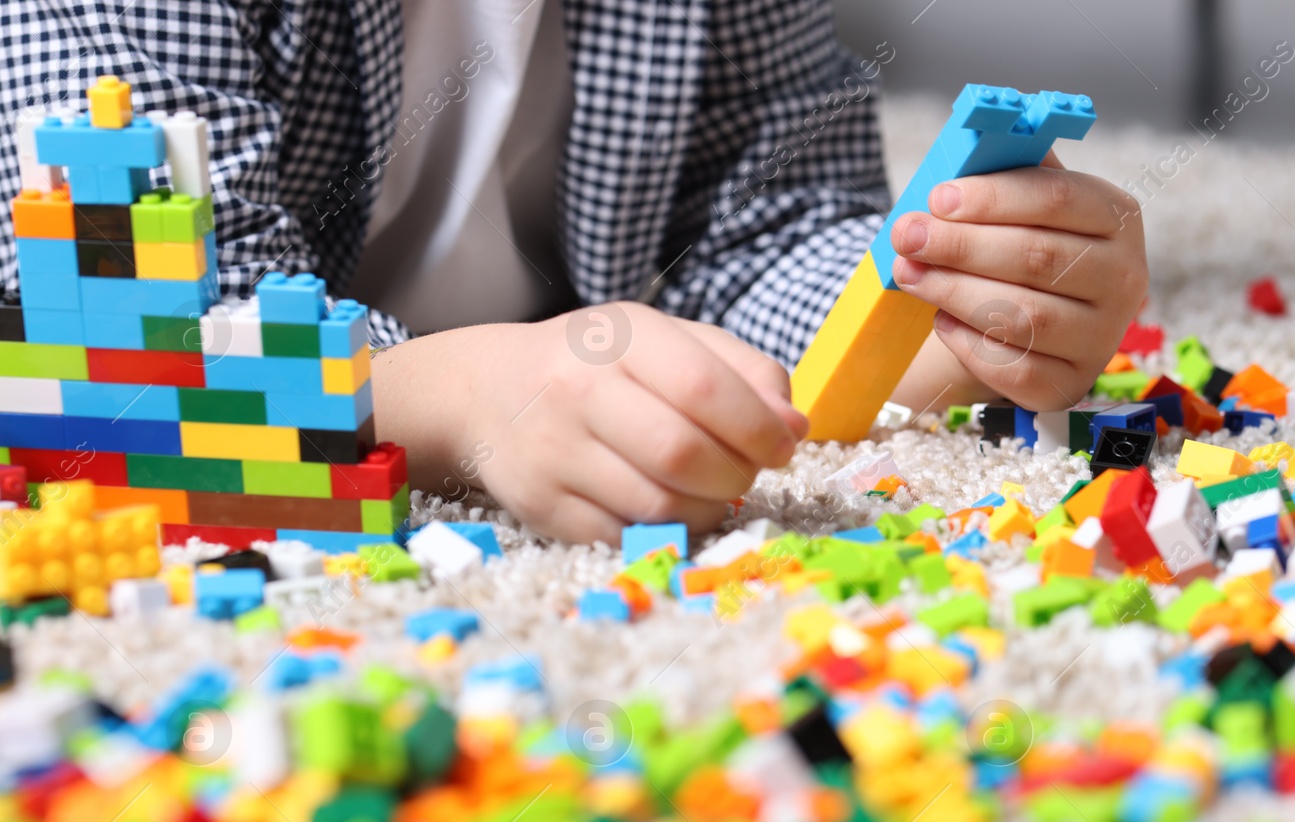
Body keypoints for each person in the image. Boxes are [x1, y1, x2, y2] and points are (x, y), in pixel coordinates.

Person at [1, 0, 1147, 543]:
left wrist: (938, 321)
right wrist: (457, 405)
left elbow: (761, 218)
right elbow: (143, 349)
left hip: (570, 330)